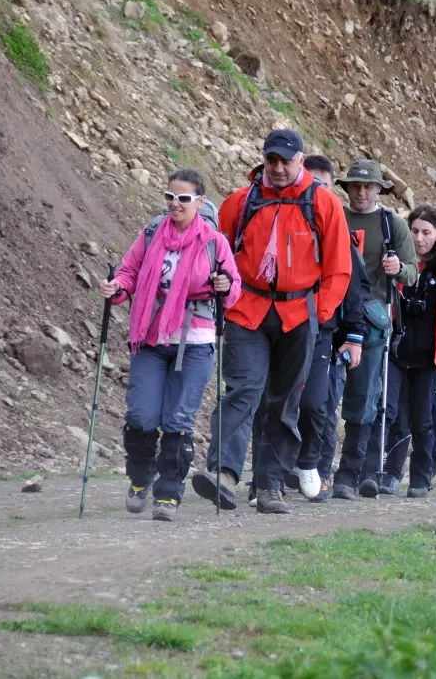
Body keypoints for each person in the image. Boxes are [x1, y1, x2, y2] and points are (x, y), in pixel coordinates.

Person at [191, 130, 352, 514]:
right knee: (243, 389)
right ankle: (224, 473)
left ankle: (270, 485)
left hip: (299, 314)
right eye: (271, 160)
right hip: (248, 308)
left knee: (284, 401)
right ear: (263, 160)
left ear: (300, 161)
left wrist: (320, 313)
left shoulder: (323, 204)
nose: (278, 168)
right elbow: (218, 252)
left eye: (285, 161)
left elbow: (339, 268)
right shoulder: (240, 202)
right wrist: (222, 287)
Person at [100, 169, 240, 521]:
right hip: (151, 338)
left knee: (178, 417)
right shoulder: (151, 234)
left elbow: (234, 287)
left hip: (195, 341)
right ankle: (139, 478)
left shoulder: (213, 242)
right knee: (141, 415)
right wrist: (117, 287)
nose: (175, 204)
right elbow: (129, 271)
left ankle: (169, 491)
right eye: (170, 197)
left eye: (183, 199)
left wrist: (224, 286)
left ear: (200, 202)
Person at [332, 159, 419, 500]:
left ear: (379, 188)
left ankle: (357, 472)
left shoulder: (392, 224)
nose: (362, 191)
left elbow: (411, 271)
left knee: (365, 397)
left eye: (368, 186)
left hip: (372, 318)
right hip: (332, 313)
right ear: (347, 188)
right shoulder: (334, 217)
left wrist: (398, 267)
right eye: (356, 185)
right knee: (322, 398)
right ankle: (317, 469)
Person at [283, 155, 366, 503]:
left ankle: (313, 465)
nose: (316, 189)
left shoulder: (338, 231)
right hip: (284, 324)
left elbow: (355, 286)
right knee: (281, 399)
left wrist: (354, 335)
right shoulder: (283, 220)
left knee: (319, 403)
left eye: (323, 184)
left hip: (325, 330)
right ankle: (273, 472)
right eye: (311, 181)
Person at [385, 205, 436, 496]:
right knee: (396, 417)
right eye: (415, 231)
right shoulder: (398, 261)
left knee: (422, 419)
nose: (419, 238)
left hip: (429, 356)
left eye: (426, 233)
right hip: (397, 351)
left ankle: (421, 477)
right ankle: (392, 474)